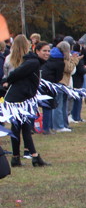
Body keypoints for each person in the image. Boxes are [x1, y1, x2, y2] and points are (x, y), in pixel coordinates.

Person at [1, 36, 50, 166]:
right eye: (44, 51)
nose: (47, 53)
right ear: (36, 51)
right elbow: (16, 73)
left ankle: (17, 158)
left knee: (19, 128)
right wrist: (7, 81)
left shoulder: (33, 62)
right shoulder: (33, 62)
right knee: (25, 128)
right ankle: (34, 157)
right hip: (18, 99)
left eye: (48, 51)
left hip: (21, 97)